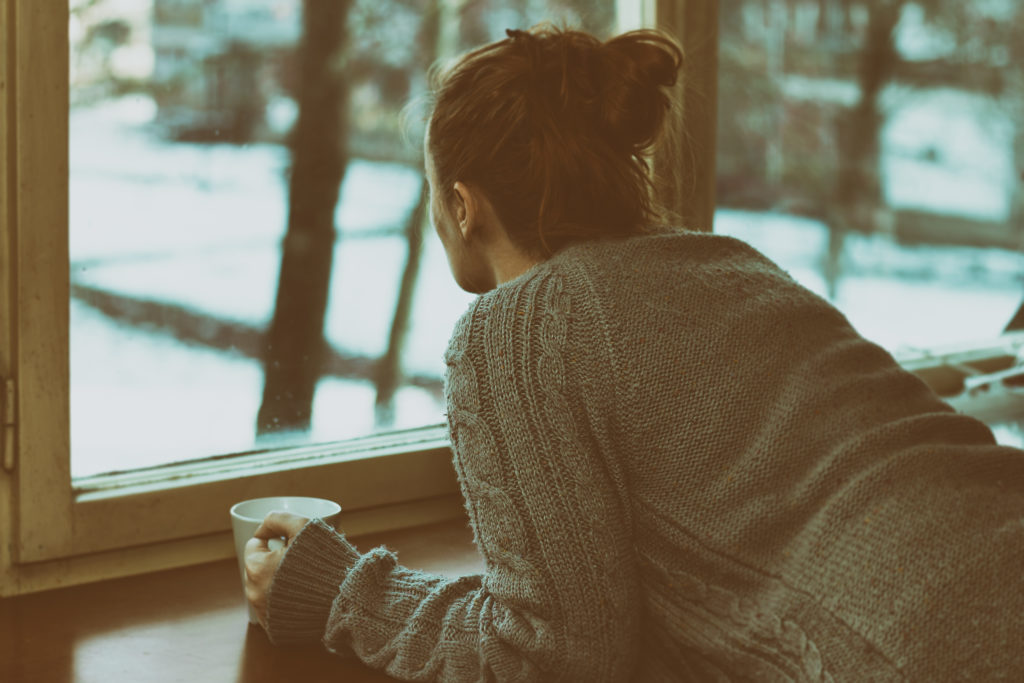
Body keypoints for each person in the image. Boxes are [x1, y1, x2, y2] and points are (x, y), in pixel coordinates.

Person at [243, 24, 1024, 681]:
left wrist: (343, 589)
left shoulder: (520, 326)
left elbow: (552, 653)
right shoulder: (731, 263)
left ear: (461, 204)